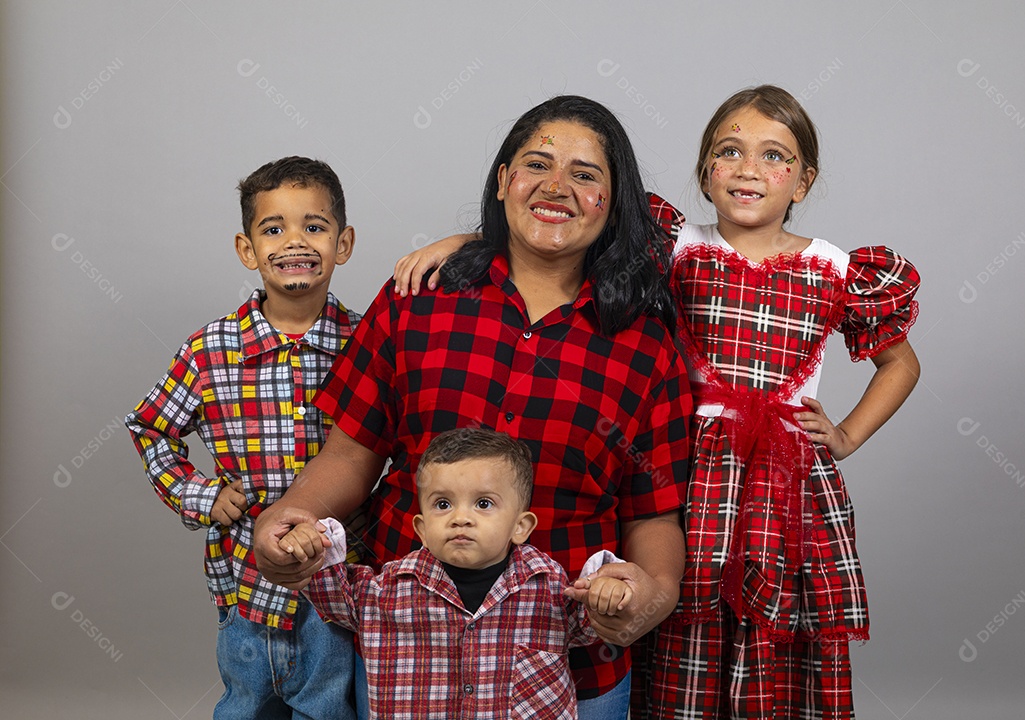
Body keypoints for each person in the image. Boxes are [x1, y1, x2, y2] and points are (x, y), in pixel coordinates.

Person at [394, 86, 921, 719]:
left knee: (779, 609)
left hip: (783, 479)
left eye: (774, 157)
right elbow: (554, 223)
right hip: (697, 472)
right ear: (705, 170)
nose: (749, 170)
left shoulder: (838, 270)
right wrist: (466, 243)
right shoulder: (676, 246)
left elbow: (901, 363)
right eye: (729, 152)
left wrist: (846, 436)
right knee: (682, 612)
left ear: (803, 182)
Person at [252, 95, 695, 720]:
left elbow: (653, 515)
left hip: (572, 665)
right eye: (537, 164)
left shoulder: (647, 347)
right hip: (407, 661)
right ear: (504, 180)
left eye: (585, 174)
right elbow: (351, 454)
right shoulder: (416, 300)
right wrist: (291, 514)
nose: (556, 186)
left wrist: (654, 592)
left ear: (614, 202)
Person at [126, 156, 360, 719]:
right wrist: (202, 495)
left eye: (314, 226)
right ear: (247, 249)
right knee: (246, 705)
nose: (295, 241)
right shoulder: (211, 350)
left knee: (328, 709)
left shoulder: (367, 342)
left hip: (340, 587)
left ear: (343, 243)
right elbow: (151, 426)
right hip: (245, 585)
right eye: (273, 229)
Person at [279, 428, 635, 719]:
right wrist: (308, 543)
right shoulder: (385, 591)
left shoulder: (551, 589)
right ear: (421, 528)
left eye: (483, 503)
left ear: (521, 526)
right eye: (443, 504)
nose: (460, 518)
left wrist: (608, 592)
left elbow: (594, 622)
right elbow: (329, 589)